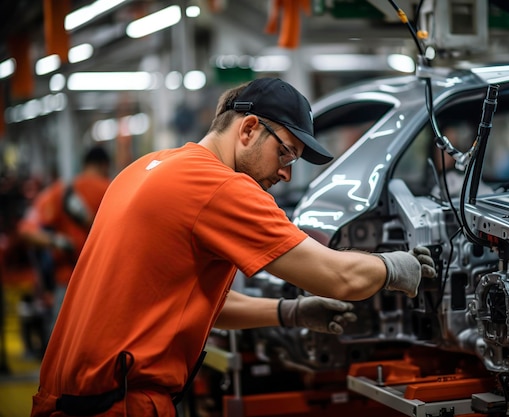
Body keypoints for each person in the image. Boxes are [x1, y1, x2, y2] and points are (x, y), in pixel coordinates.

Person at [30, 78, 437, 417]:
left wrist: (289, 311)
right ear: (248, 129)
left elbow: (183, 302)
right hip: (115, 403)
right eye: (285, 152)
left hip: (63, 397)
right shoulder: (221, 186)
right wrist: (395, 267)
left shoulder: (146, 167)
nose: (284, 171)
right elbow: (339, 277)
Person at [18, 146, 111, 350]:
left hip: (67, 283)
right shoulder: (113, 190)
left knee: (60, 349)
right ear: (105, 166)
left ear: (85, 164)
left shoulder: (62, 191)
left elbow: (26, 230)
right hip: (103, 285)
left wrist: (56, 241)